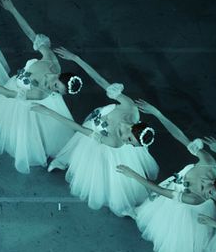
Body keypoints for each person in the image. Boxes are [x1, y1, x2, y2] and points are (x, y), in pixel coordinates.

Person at [32, 47, 158, 217]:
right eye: (130, 140)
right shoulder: (129, 107)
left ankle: (122, 205)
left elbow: (81, 129)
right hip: (96, 123)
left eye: (131, 144)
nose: (127, 143)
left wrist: (49, 112)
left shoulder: (116, 142)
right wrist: (75, 58)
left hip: (100, 136)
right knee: (77, 147)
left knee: (105, 171)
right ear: (133, 127)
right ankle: (63, 161)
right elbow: (100, 80)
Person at [117, 100, 216, 252]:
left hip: (179, 201)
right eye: (211, 192)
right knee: (152, 208)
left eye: (213, 198)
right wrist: (157, 113)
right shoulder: (209, 164)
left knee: (167, 224)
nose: (208, 196)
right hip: (174, 185)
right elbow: (180, 137)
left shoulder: (195, 199)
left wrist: (133, 175)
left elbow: (160, 191)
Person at [0, 0, 82, 174]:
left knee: (20, 126)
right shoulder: (50, 60)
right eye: (55, 85)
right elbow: (32, 35)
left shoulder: (41, 94)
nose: (52, 90)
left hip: (20, 94)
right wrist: (13, 10)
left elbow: (8, 94)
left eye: (57, 91)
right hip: (16, 84)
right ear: (58, 75)